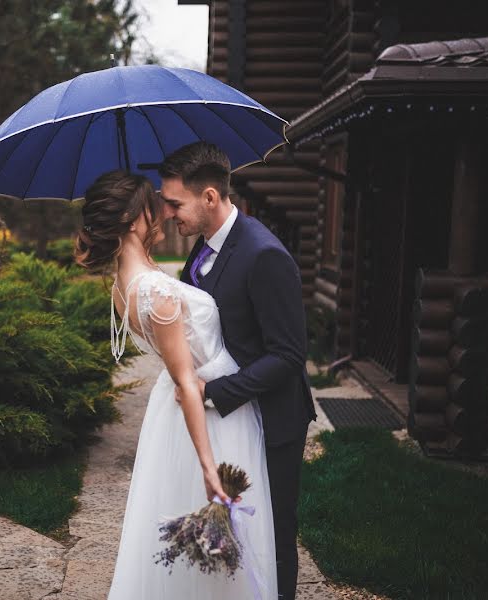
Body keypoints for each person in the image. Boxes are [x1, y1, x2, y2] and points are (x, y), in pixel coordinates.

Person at [75, 170, 278, 599]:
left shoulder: (122, 284)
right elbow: (187, 382)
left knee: (197, 552)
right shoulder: (156, 293)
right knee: (218, 554)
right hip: (208, 417)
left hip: (176, 415)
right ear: (134, 219)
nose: (164, 215)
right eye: (155, 207)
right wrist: (208, 467)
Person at [160, 141, 316, 600]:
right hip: (231, 421)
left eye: (175, 204)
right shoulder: (203, 247)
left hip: (272, 420)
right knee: (232, 526)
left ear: (210, 196)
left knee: (273, 532)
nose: (169, 214)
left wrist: (212, 390)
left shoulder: (264, 254)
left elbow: (288, 356)